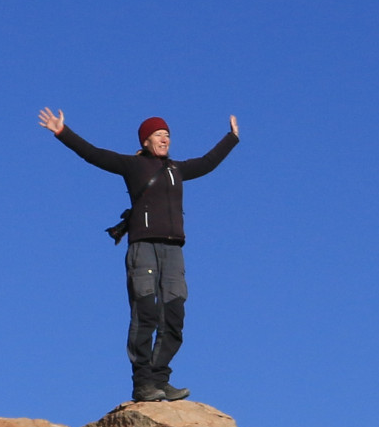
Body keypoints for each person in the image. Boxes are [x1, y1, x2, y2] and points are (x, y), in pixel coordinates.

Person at [38, 108, 241, 403]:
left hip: (174, 251)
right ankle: (143, 384)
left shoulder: (176, 170)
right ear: (146, 140)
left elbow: (208, 163)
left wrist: (231, 138)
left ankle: (161, 379)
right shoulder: (133, 166)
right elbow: (94, 154)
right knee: (145, 313)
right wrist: (62, 132)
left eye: (168, 135)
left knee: (174, 316)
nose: (165, 139)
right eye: (159, 134)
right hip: (144, 248)